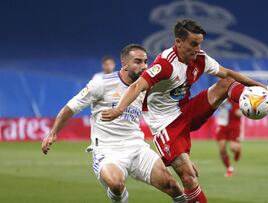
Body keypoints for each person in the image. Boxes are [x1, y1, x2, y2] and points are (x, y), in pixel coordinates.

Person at [102, 19, 268, 203]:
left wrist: (263, 88)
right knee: (188, 177)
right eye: (193, 44)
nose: (197, 49)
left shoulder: (200, 58)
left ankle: (264, 102)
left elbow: (228, 74)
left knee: (226, 83)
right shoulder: (165, 65)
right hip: (166, 125)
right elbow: (136, 87)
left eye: (199, 44)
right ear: (178, 42)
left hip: (187, 110)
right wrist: (119, 109)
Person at [41, 44, 186, 203]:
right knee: (116, 184)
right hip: (107, 150)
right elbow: (70, 107)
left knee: (172, 185)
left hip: (136, 147)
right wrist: (53, 133)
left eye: (145, 61)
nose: (144, 66)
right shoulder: (101, 83)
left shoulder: (146, 87)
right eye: (137, 62)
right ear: (124, 64)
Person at [215, 99, 242, 177]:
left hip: (234, 125)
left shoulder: (235, 97)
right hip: (222, 125)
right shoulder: (220, 96)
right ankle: (229, 168)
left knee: (233, 148)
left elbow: (240, 112)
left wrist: (240, 112)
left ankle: (238, 151)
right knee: (222, 149)